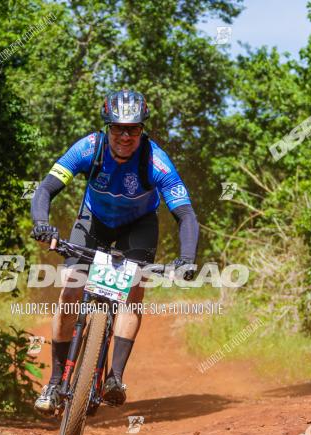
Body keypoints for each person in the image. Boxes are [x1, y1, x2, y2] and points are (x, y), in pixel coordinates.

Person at [30, 89, 199, 416]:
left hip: (138, 225)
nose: (125, 136)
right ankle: (53, 381)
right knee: (70, 291)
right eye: (118, 128)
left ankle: (115, 378)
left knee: (133, 291)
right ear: (107, 127)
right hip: (94, 222)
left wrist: (187, 258)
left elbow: (186, 215)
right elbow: (46, 188)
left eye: (133, 129)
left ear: (142, 129)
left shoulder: (155, 161)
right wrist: (42, 223)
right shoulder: (88, 148)